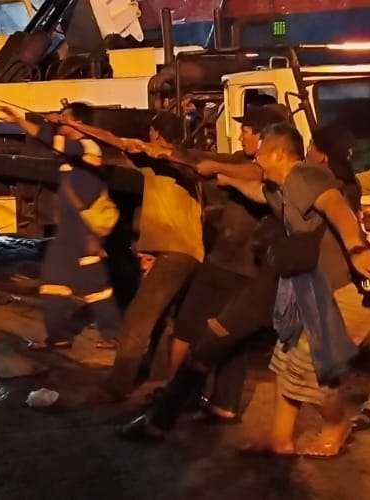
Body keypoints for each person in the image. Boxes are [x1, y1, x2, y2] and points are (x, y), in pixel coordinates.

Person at [116, 104, 291, 440]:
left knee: (197, 335)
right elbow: (212, 167)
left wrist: (212, 166)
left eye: (248, 129)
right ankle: (215, 404)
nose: (242, 133)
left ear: (267, 138)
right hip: (233, 264)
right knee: (223, 337)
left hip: (239, 268)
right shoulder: (249, 166)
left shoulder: (274, 175)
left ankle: (170, 404)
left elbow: (254, 178)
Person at [222, 123, 370, 457]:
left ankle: (335, 427)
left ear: (276, 153)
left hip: (356, 294)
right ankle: (281, 438)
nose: (256, 160)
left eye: (259, 153)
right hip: (324, 294)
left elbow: (336, 208)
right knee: (287, 361)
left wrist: (356, 249)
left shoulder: (305, 176)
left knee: (310, 366)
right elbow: (254, 189)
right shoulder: (285, 189)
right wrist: (219, 173)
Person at [0, 104, 121, 351]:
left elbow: (56, 143)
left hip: (85, 231)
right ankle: (58, 336)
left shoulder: (90, 147)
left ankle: (114, 333)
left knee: (95, 287)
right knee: (53, 282)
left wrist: (55, 123)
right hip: (68, 231)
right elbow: (44, 138)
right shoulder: (70, 155)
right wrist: (19, 120)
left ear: (79, 123)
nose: (61, 124)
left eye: (67, 119)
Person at [103, 112, 202, 397]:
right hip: (191, 251)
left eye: (150, 133)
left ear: (156, 134)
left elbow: (114, 141)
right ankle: (157, 375)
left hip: (175, 252)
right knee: (165, 317)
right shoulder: (190, 160)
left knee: (138, 317)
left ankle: (117, 385)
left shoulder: (155, 160)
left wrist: (73, 125)